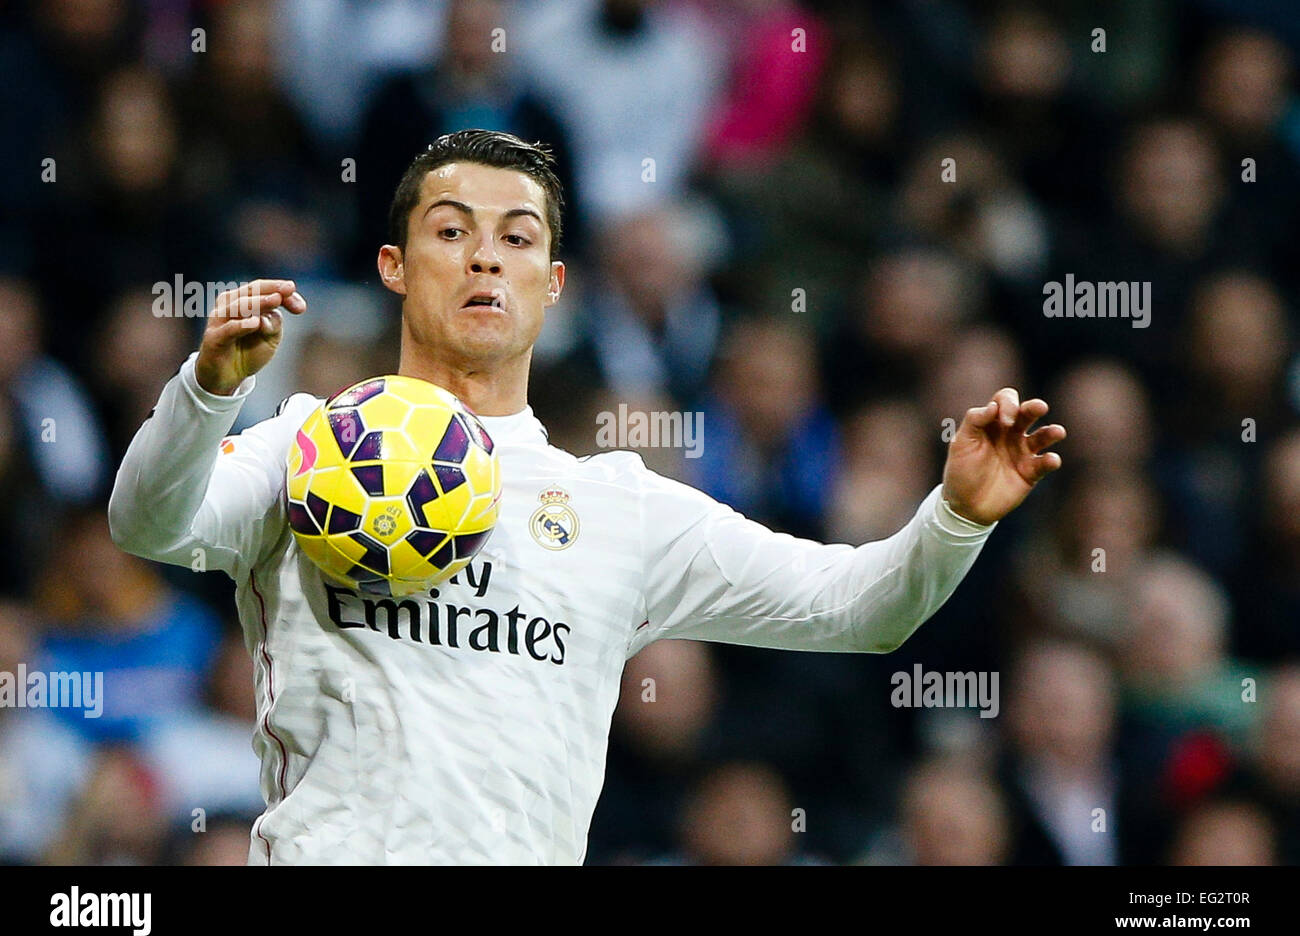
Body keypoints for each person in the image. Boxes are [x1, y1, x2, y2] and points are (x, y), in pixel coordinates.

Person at [107, 129, 1066, 865]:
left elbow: (862, 609)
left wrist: (955, 517)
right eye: (451, 231)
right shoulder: (308, 447)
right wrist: (207, 392)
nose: (485, 257)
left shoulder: (618, 508)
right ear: (394, 267)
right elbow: (146, 522)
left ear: (554, 282)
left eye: (516, 238)